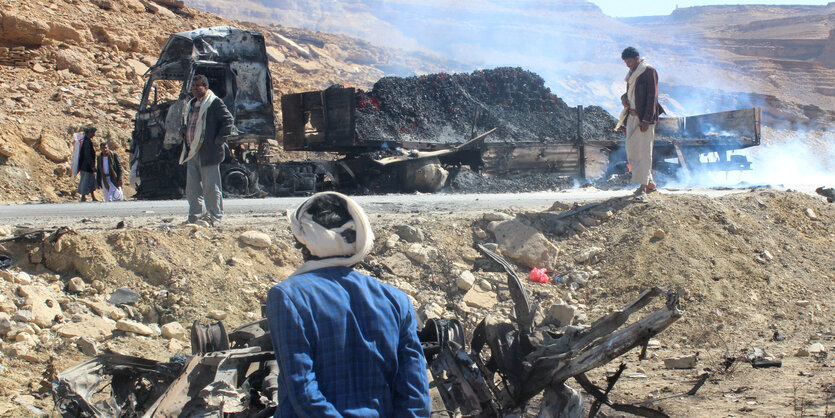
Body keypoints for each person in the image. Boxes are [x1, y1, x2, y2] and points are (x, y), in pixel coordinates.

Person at [266, 192, 430, 417]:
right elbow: (415, 392)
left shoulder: (288, 296)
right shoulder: (396, 299)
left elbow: (303, 391)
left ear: (306, 244)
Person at [179, 74, 234, 225]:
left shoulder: (214, 103)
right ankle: (194, 216)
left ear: (206, 87)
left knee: (210, 186)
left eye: (198, 86)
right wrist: (184, 130)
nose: (195, 89)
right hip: (192, 151)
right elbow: (190, 122)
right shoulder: (191, 104)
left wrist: (218, 140)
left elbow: (228, 121)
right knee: (192, 188)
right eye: (194, 86)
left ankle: (215, 217)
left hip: (209, 152)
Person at [615, 47, 665, 195]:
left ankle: (643, 185)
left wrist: (646, 120)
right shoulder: (631, 73)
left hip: (644, 119)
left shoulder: (648, 71)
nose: (627, 65)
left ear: (637, 58)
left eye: (629, 61)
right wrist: (624, 99)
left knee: (643, 151)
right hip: (631, 116)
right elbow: (631, 93)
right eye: (625, 62)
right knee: (632, 150)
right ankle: (649, 182)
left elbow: (652, 97)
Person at [77, 126, 98, 202]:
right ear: (89, 133)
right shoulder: (87, 142)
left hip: (85, 166)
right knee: (86, 181)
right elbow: (88, 155)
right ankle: (83, 197)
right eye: (93, 133)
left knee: (90, 181)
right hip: (86, 166)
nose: (94, 135)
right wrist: (92, 165)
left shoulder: (86, 141)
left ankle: (92, 196)